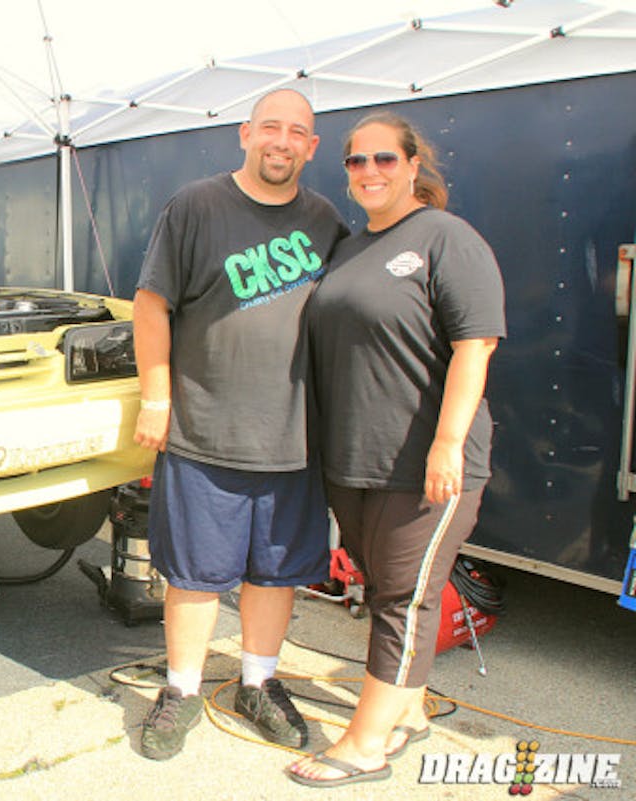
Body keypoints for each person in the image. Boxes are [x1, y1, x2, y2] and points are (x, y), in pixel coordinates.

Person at [289, 112, 505, 787]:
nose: (370, 171)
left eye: (385, 159)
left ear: (414, 165)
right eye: (356, 161)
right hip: (355, 458)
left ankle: (365, 744)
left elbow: (476, 344)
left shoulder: (447, 238)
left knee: (403, 599)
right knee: (383, 589)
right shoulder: (351, 247)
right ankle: (406, 708)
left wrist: (446, 444)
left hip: (426, 463)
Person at [132, 88, 348, 761]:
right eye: (271, 128)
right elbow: (150, 304)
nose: (282, 142)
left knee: (275, 572)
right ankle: (181, 690)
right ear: (245, 134)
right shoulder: (196, 205)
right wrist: (156, 396)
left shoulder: (325, 220)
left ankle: (258, 681)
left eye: (298, 133)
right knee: (195, 572)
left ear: (312, 148)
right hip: (203, 429)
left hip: (292, 436)